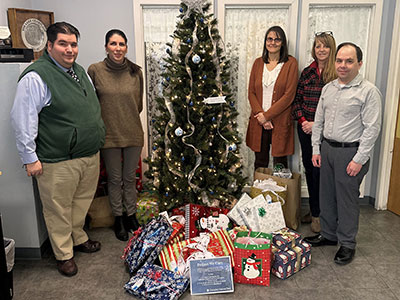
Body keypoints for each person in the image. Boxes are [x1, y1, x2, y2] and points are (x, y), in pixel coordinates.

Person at [10, 22, 106, 276]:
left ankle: (77, 237)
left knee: (80, 203)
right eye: (63, 43)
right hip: (58, 159)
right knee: (58, 209)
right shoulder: (36, 76)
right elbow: (22, 120)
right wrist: (30, 158)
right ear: (49, 46)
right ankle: (63, 254)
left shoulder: (80, 71)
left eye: (73, 44)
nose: (69, 49)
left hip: (88, 154)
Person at [304, 43, 382, 265]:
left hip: (350, 153)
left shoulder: (368, 92)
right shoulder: (328, 88)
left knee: (346, 201)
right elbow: (318, 121)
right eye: (339, 60)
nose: (343, 65)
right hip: (327, 150)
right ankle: (328, 235)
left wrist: (359, 159)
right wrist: (316, 149)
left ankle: (347, 243)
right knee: (326, 194)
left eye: (349, 61)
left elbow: (372, 128)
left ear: (359, 63)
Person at [88, 29, 144, 242]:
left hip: (132, 132)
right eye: (113, 44)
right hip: (109, 134)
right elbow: (92, 103)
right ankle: (118, 219)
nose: (118, 48)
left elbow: (137, 104)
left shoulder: (135, 72)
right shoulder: (95, 70)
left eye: (121, 44)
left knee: (130, 178)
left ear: (126, 47)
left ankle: (131, 215)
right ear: (106, 47)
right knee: (114, 178)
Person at [292, 32, 337, 233]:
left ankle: (321, 215)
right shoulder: (307, 72)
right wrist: (304, 121)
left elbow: (336, 108)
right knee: (310, 170)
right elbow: (297, 102)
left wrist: (315, 125)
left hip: (325, 133)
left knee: (322, 173)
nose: (321, 50)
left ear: (331, 49)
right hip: (305, 130)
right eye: (318, 46)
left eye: (325, 46)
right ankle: (314, 210)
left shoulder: (336, 74)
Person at [246, 26, 298, 170]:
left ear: (282, 43)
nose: (273, 42)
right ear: (265, 41)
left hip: (279, 122)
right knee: (260, 163)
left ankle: (279, 192)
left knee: (280, 164)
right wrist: (261, 117)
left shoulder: (290, 63)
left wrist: (267, 116)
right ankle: (260, 191)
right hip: (259, 122)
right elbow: (251, 92)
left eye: (277, 39)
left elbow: (289, 96)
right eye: (270, 39)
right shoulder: (258, 63)